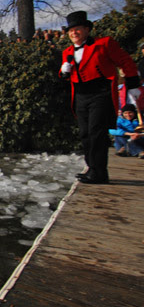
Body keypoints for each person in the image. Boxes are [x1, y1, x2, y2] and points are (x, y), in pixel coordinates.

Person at [59, 11, 141, 184]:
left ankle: (99, 172)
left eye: (77, 29)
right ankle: (92, 168)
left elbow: (125, 61)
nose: (74, 33)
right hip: (80, 95)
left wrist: (133, 84)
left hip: (100, 92)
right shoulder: (67, 52)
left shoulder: (104, 44)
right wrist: (64, 71)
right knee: (85, 133)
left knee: (97, 132)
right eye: (71, 30)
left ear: (87, 29)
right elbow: (65, 74)